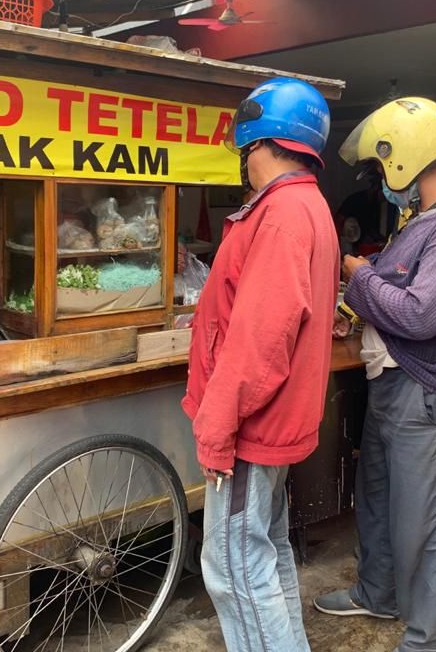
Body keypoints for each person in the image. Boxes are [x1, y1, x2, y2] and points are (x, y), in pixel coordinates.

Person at [314, 97, 436, 652]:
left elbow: (421, 313)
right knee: (380, 501)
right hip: (395, 386)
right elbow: (399, 297)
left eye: (377, 169)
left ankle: (433, 638)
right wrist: (357, 309)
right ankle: (379, 593)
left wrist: (359, 276)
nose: (376, 183)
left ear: (403, 160)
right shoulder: (421, 223)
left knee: (427, 521)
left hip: (429, 394)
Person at [182, 77, 339, 652]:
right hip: (272, 422)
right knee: (261, 557)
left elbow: (258, 343)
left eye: (245, 152)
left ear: (261, 144)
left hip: (253, 427)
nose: (244, 164)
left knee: (234, 569)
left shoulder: (280, 214)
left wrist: (218, 431)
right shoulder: (305, 205)